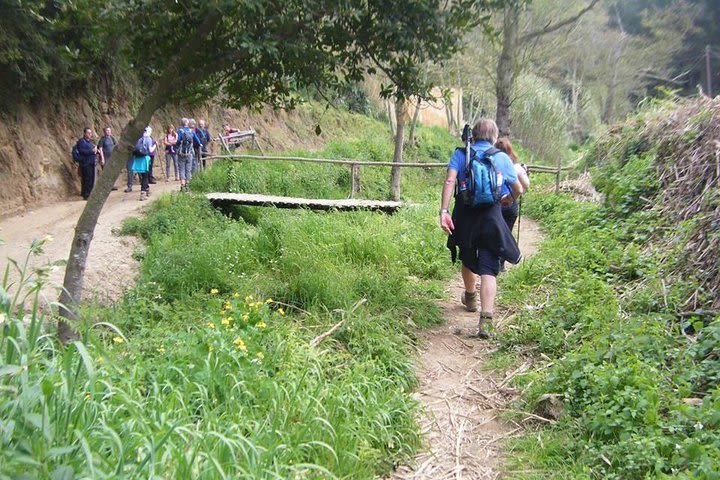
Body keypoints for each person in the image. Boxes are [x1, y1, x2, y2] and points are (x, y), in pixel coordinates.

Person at [439, 119, 524, 338]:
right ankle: (486, 320)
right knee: (489, 267)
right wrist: (508, 199)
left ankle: (469, 297)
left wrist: (444, 211)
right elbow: (518, 189)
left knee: (467, 258)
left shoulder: (461, 154)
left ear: (473, 135)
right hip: (491, 216)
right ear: (494, 136)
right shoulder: (502, 158)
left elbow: (450, 181)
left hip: (465, 215)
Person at [177, 118, 202, 192]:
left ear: (181, 123)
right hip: (189, 153)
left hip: (181, 153)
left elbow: (178, 141)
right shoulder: (191, 131)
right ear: (187, 123)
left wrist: (177, 147)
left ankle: (182, 186)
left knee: (181, 169)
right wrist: (200, 144)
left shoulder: (180, 131)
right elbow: (197, 141)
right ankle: (187, 185)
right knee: (188, 169)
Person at [131, 126, 156, 201]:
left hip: (138, 159)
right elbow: (150, 150)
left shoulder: (139, 139)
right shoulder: (149, 139)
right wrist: (155, 145)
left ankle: (147, 189)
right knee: (145, 176)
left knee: (142, 176)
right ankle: (143, 193)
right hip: (145, 159)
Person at [75, 127, 98, 200]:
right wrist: (92, 151)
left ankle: (86, 193)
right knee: (87, 179)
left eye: (91, 133)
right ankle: (87, 195)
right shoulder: (81, 142)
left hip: (91, 163)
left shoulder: (89, 142)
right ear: (84, 133)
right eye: (88, 133)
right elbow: (82, 151)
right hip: (85, 163)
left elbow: (92, 151)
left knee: (90, 179)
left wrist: (96, 151)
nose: (90, 134)